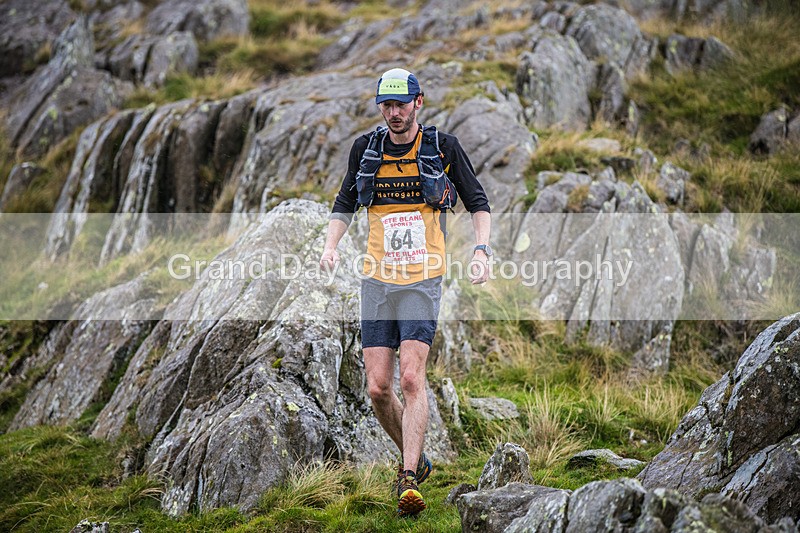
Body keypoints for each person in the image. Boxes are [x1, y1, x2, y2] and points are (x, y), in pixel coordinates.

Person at [319, 67, 492, 517]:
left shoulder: (443, 146)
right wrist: (331, 246)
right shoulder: (366, 148)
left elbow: (478, 200)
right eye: (386, 105)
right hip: (377, 280)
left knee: (412, 378)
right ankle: (418, 458)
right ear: (380, 106)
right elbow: (344, 202)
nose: (394, 113)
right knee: (377, 388)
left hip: (422, 277)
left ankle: (408, 476)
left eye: (401, 104)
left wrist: (481, 251)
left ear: (419, 102)